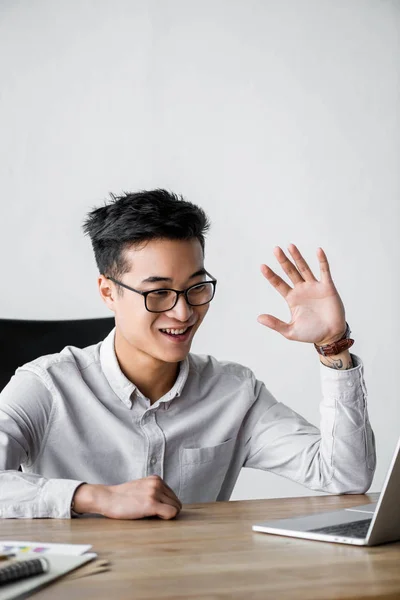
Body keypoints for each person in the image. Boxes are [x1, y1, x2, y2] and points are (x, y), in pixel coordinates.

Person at [0, 189, 375, 520]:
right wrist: (93, 497)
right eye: (158, 292)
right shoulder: (46, 387)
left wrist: (332, 345)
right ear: (108, 292)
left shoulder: (233, 392)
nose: (183, 313)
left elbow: (345, 475)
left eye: (196, 287)